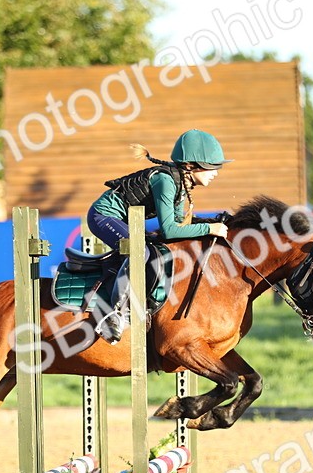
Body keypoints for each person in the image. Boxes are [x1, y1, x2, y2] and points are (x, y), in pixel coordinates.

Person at [86, 128, 232, 342]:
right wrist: (210, 229)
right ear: (190, 166)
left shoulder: (182, 184)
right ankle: (115, 315)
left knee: (155, 250)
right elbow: (170, 230)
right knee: (140, 252)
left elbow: (177, 227)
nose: (216, 172)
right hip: (102, 216)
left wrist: (211, 222)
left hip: (124, 220)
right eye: (211, 167)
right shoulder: (166, 181)